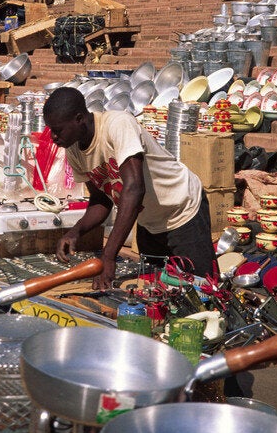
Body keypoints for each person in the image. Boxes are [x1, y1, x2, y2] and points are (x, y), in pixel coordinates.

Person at [43, 87, 215, 291]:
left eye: (58, 130)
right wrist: (75, 232)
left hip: (182, 210)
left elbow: (134, 189)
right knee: (155, 290)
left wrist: (108, 256)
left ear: (79, 118)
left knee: (203, 290)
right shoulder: (74, 150)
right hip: (149, 223)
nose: (52, 136)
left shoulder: (118, 124)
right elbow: (101, 199)